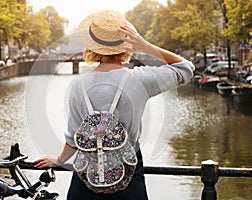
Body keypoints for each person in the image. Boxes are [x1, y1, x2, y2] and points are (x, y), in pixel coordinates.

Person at [33, 9, 195, 200]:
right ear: (126, 46)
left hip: (86, 175)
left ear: (91, 47)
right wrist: (145, 46)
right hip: (128, 172)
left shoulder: (78, 84)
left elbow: (74, 136)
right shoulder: (140, 79)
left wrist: (58, 160)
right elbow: (185, 68)